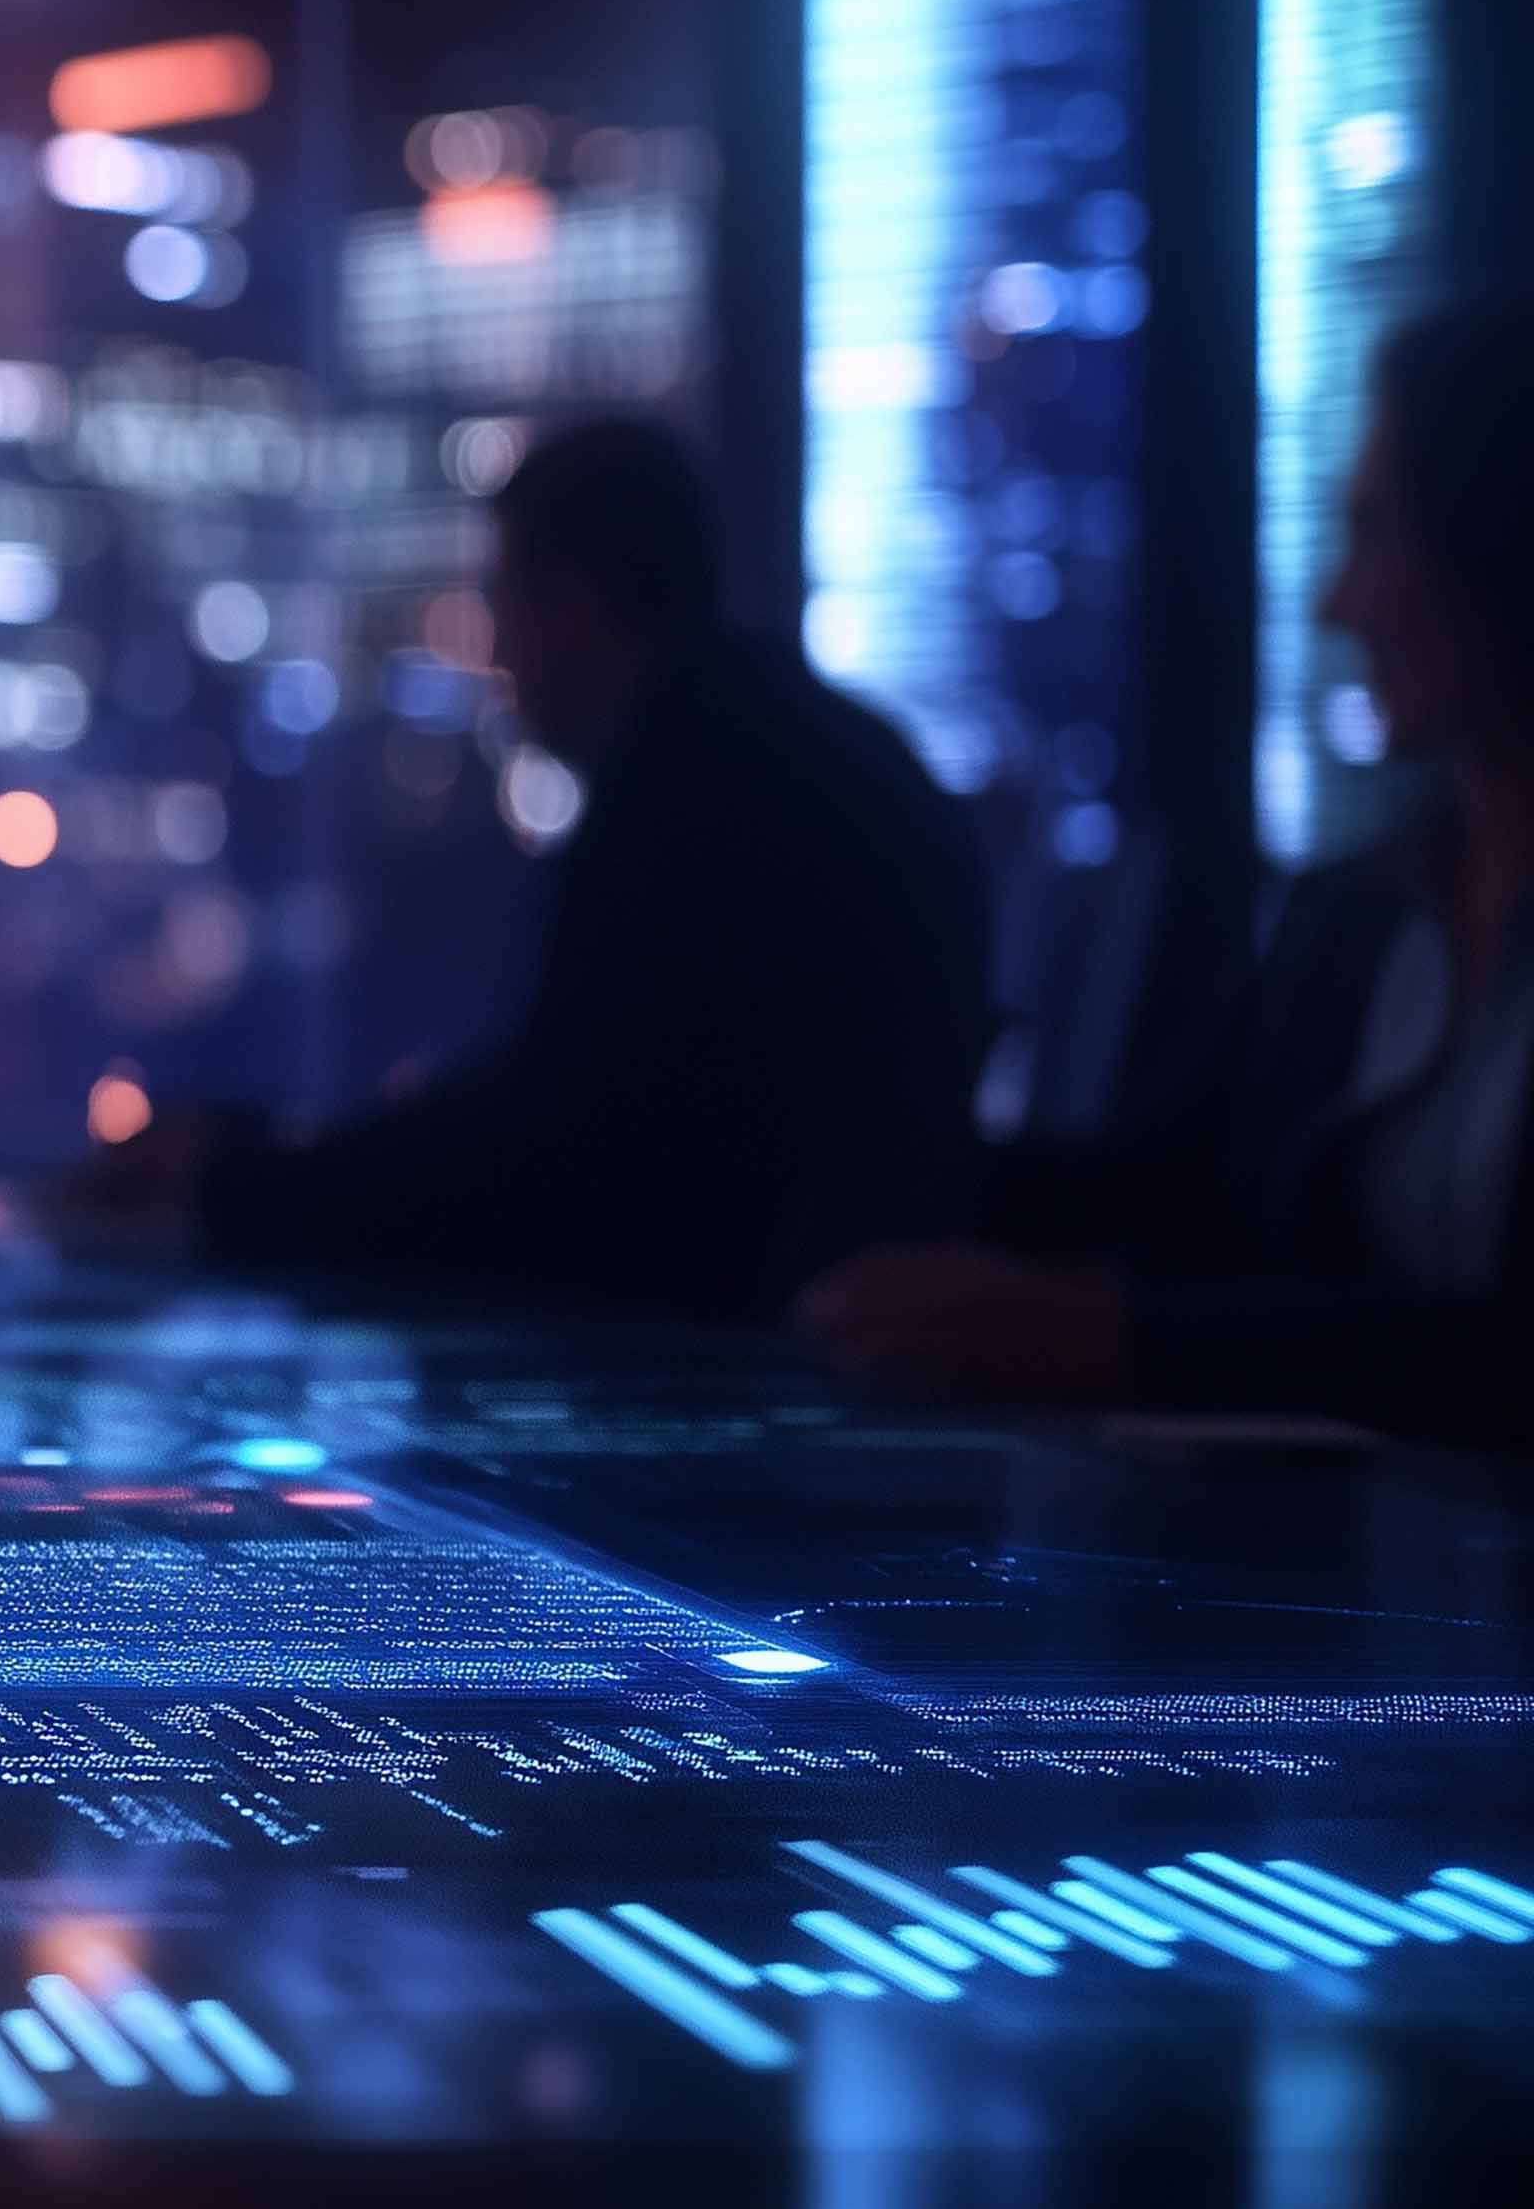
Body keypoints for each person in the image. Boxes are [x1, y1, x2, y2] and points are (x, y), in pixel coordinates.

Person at [803, 301, 1534, 1443]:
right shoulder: (1361, 913)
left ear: (1499, 538)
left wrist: (1130, 1345)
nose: (1336, 604)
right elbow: (1176, 1188)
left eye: (1377, 531)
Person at [164, 416, 990, 1317]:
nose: (496, 652)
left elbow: (553, 1144)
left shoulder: (694, 782)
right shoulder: (767, 747)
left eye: (502, 598)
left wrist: (234, 1183)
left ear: (577, 601)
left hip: (775, 1335)